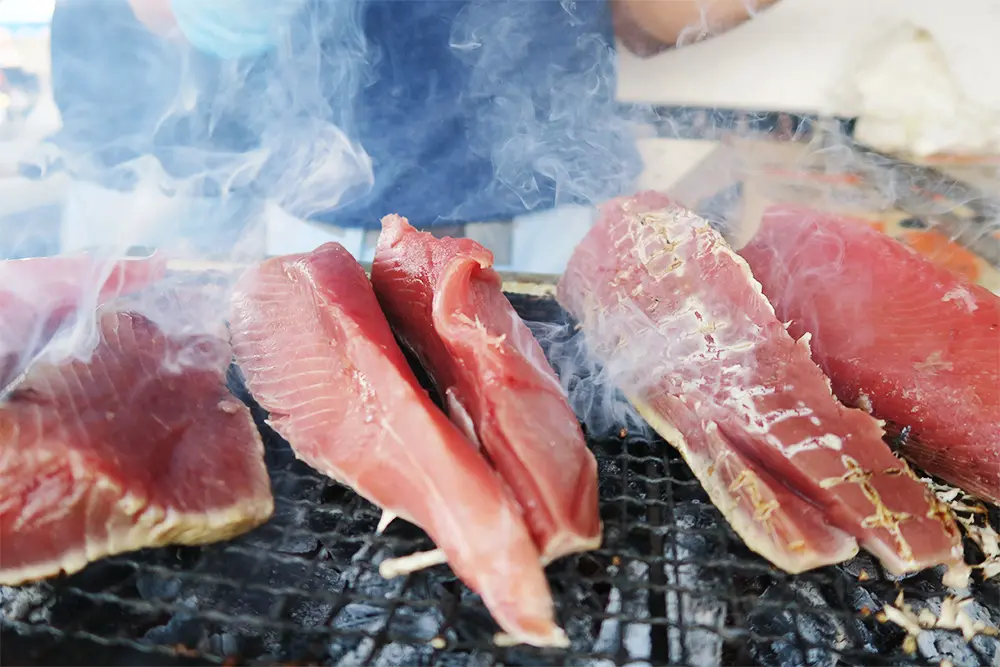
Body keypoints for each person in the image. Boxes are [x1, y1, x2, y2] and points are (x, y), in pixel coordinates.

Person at [48, 0, 779, 257]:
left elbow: (648, 22)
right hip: (325, 229)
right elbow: (170, 17)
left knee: (580, 465)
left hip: (554, 225)